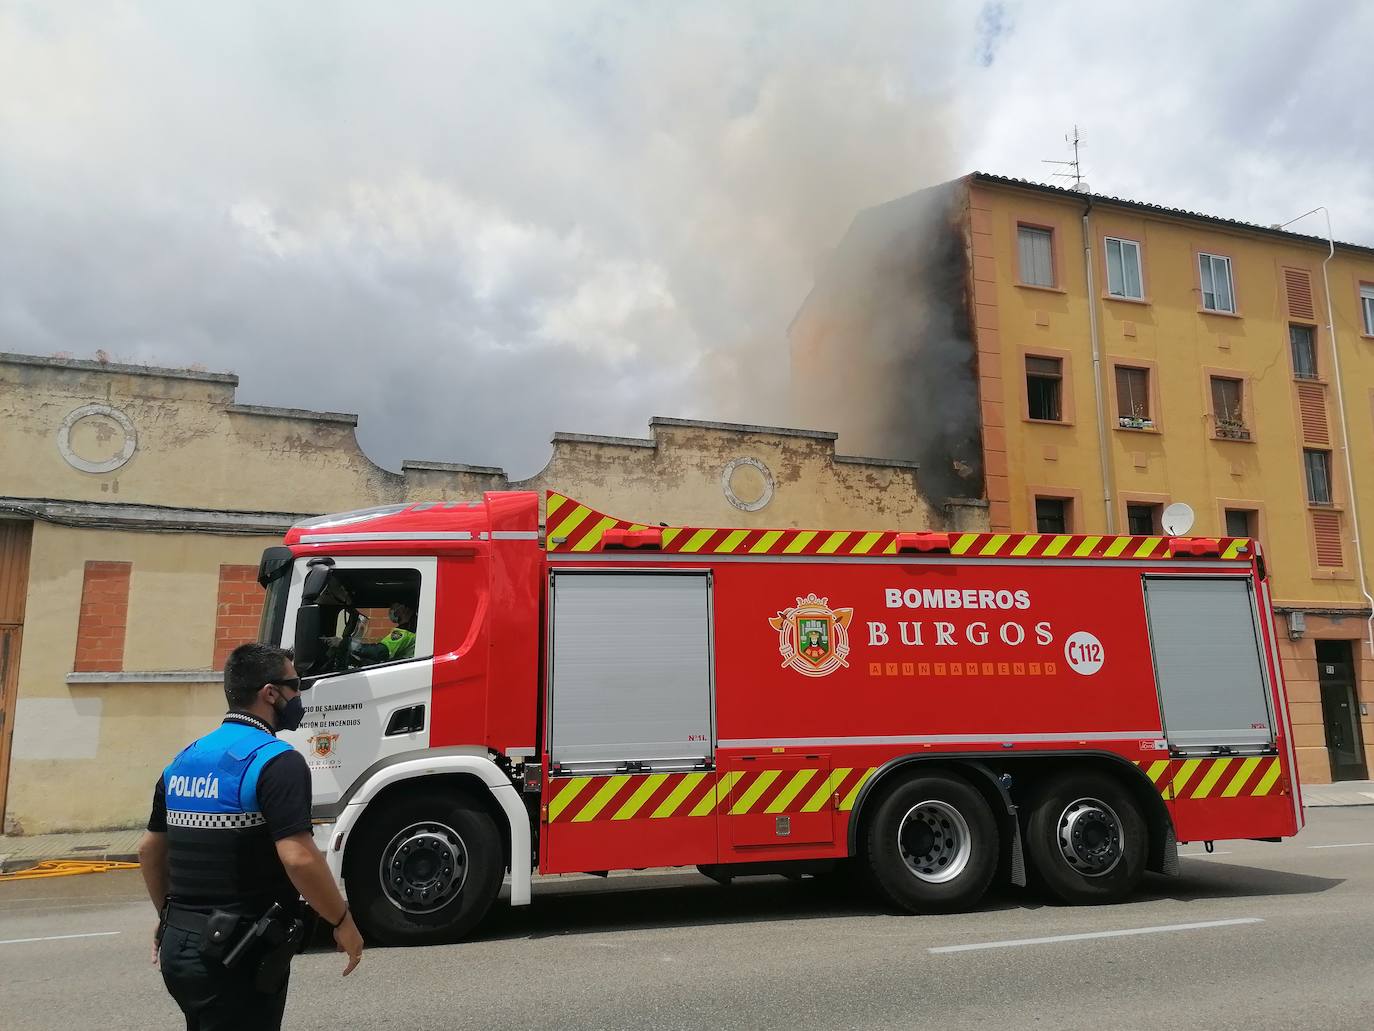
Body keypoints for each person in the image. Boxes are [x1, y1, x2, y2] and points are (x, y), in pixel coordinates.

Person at [138, 642, 364, 1030]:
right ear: (270, 693)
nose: (300, 695)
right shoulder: (277, 761)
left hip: (181, 946)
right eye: (296, 685)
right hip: (236, 953)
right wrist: (341, 919)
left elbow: (150, 850)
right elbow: (298, 857)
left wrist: (169, 915)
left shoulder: (185, 758)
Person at [331, 600, 417, 667]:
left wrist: (344, 643)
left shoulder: (406, 631)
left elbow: (379, 652)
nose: (391, 610)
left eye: (394, 606)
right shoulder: (412, 627)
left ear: (404, 608)